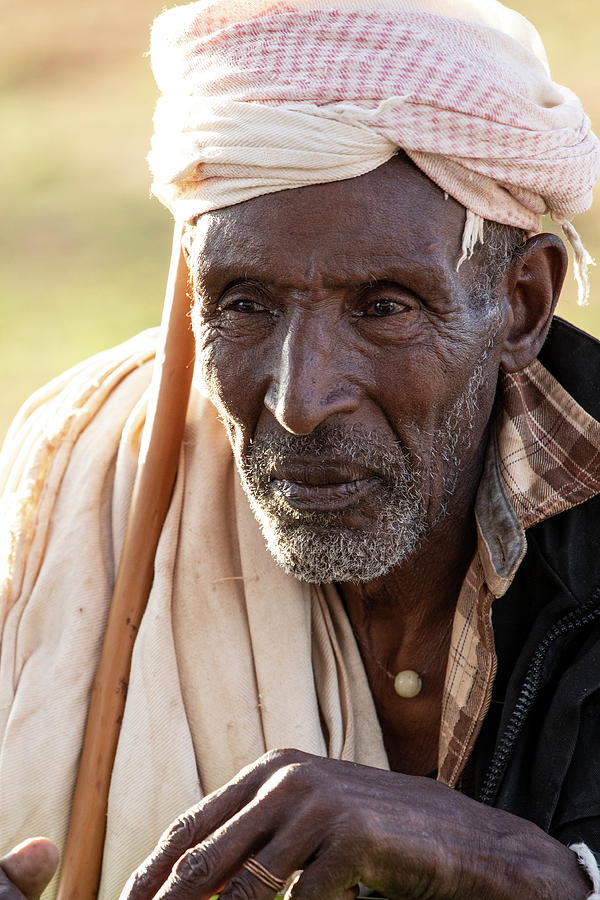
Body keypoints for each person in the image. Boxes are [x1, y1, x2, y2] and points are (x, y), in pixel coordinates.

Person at [1, 0, 600, 898]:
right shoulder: (87, 489)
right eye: (244, 303)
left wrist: (531, 871)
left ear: (520, 304)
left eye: (385, 307)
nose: (299, 399)